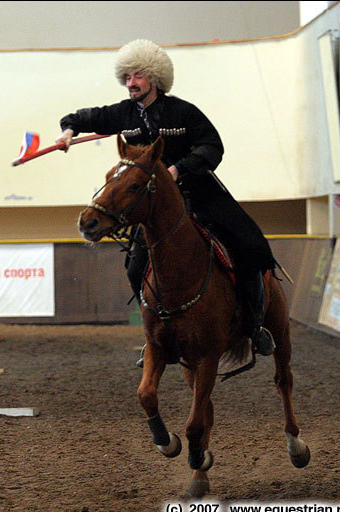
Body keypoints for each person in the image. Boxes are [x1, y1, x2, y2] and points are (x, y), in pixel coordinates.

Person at [55, 39, 277, 363]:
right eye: (127, 77)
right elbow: (84, 116)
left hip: (198, 192)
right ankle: (155, 336)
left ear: (155, 79)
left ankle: (254, 326)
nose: (131, 83)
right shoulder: (123, 113)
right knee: (134, 267)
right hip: (153, 206)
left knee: (252, 247)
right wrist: (68, 130)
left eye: (138, 76)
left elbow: (213, 146)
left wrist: (179, 169)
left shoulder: (184, 112)